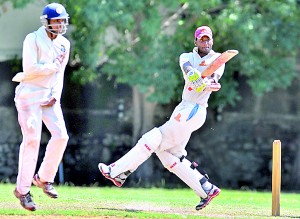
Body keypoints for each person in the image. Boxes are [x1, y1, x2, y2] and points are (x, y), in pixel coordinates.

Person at [98, 25, 225, 210]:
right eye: (202, 39)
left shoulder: (217, 59)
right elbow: (187, 67)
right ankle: (206, 188)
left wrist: (207, 82)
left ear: (212, 40)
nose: (206, 42)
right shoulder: (186, 56)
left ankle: (117, 172)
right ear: (195, 41)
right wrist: (194, 75)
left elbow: (214, 78)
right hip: (184, 106)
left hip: (196, 110)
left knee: (152, 139)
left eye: (208, 39)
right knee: (169, 156)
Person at [12, 3, 70, 211]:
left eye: (63, 20)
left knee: (61, 136)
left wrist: (56, 95)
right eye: (57, 21)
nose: (61, 24)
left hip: (49, 96)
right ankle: (23, 190)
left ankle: (44, 178)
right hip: (29, 95)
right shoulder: (33, 39)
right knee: (32, 140)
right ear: (47, 22)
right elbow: (30, 68)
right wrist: (52, 67)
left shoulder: (64, 44)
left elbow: (60, 75)